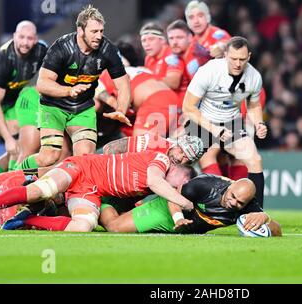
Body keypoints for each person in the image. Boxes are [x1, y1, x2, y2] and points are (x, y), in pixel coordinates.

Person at [0, 137, 205, 232]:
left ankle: (25, 220)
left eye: (187, 159)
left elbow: (165, 192)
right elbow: (118, 148)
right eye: (182, 152)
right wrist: (110, 162)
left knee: (83, 226)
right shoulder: (160, 152)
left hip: (93, 190)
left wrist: (178, 218)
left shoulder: (171, 176)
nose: (181, 158)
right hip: (84, 168)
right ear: (177, 144)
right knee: (42, 190)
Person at [17, 5, 132, 171]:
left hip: (82, 108)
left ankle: (72, 195)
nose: (99, 36)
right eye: (94, 31)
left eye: (101, 31)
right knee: (49, 156)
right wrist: (68, 91)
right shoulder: (61, 48)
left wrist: (121, 109)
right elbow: (42, 84)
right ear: (80, 30)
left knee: (84, 159)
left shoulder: (108, 50)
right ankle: (16, 175)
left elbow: (123, 85)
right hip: (53, 107)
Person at [183, 36, 267, 207]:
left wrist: (259, 123)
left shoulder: (254, 77)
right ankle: (210, 206)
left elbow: (253, 105)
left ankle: (255, 213)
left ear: (249, 57)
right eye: (233, 59)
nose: (238, 64)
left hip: (231, 124)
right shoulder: (209, 71)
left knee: (254, 159)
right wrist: (215, 130)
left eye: (242, 59)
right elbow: (188, 107)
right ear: (226, 55)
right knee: (197, 159)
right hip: (202, 122)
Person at [0, 21, 47, 195]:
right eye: (21, 37)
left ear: (36, 40)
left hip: (11, 99)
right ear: (14, 36)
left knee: (19, 148)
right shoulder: (4, 60)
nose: (25, 42)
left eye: (29, 38)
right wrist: (7, 138)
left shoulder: (41, 51)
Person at [100, 173, 282, 237]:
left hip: (184, 228)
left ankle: (128, 207)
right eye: (232, 196)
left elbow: (277, 231)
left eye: (239, 202)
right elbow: (174, 196)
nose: (232, 203)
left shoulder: (247, 203)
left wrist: (265, 217)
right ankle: (102, 200)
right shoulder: (205, 185)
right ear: (231, 184)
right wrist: (178, 218)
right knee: (115, 227)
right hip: (169, 211)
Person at [140, 22, 186, 91]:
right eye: (143, 41)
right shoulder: (148, 58)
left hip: (181, 99)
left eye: (151, 39)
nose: (146, 44)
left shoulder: (172, 55)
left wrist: (146, 75)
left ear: (162, 40)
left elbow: (174, 83)